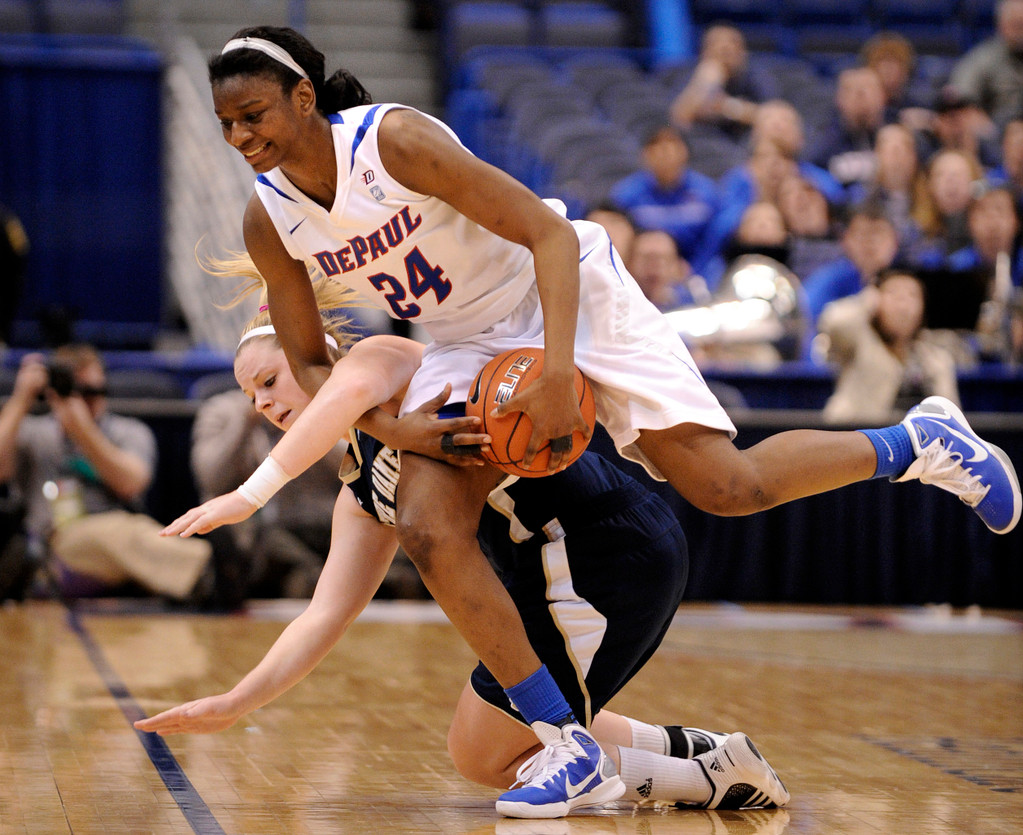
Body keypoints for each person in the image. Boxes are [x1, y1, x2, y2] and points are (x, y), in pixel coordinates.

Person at [201, 26, 1020, 818]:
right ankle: (566, 741)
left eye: (253, 115)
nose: (240, 136)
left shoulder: (392, 142)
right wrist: (402, 433)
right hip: (462, 339)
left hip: (562, 287)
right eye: (227, 122)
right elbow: (310, 363)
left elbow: (549, 234)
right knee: (422, 521)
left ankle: (917, 442)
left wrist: (559, 373)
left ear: (302, 98)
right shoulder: (269, 215)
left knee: (726, 485)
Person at [139, 266, 790, 813]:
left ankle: (702, 778)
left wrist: (250, 493)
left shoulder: (385, 362)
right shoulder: (361, 492)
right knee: (495, 741)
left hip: (604, 550)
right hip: (554, 574)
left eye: (268, 379)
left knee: (483, 750)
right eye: (249, 395)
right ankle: (706, 760)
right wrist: (237, 700)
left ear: (315, 356)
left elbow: (349, 391)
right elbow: (324, 615)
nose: (260, 402)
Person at [0, 345, 212, 601]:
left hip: (116, 537)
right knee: (122, 533)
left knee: (124, 533)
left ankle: (205, 573)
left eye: (95, 391)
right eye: (80, 393)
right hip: (54, 544)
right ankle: (209, 570)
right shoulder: (35, 432)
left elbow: (132, 484)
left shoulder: (129, 431)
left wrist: (82, 430)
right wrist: (21, 399)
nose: (89, 401)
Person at [818, 270, 960, 424]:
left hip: (917, 437)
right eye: (893, 294)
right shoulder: (858, 343)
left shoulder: (936, 359)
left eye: (912, 296)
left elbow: (953, 421)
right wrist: (865, 300)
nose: (903, 305)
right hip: (862, 435)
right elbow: (833, 322)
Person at [608, 124, 719, 274]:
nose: (665, 153)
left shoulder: (706, 192)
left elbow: (714, 239)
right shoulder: (626, 194)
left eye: (672, 146)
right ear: (645, 155)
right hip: (641, 271)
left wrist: (694, 270)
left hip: (696, 269)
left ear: (685, 152)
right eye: (657, 147)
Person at [801, 203, 901, 326]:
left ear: (895, 242)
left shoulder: (909, 280)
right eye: (862, 233)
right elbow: (804, 319)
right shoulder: (830, 279)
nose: (870, 242)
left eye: (878, 233)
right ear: (845, 240)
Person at [668, 25, 774, 138]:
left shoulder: (756, 75)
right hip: (700, 142)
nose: (726, 50)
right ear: (704, 53)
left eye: (732, 46)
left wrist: (727, 106)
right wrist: (703, 84)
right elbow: (676, 121)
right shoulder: (687, 76)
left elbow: (772, 116)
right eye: (719, 49)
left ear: (743, 53)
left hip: (745, 141)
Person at [949, 0, 1023, 132]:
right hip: (997, 130)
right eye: (1017, 25)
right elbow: (959, 97)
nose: (1021, 33)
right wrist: (988, 130)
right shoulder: (983, 58)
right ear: (1001, 25)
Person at [809, 67, 887, 191]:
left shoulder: (895, 135)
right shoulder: (825, 140)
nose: (861, 97)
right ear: (839, 99)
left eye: (868, 89)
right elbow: (810, 174)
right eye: (851, 90)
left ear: (882, 96)